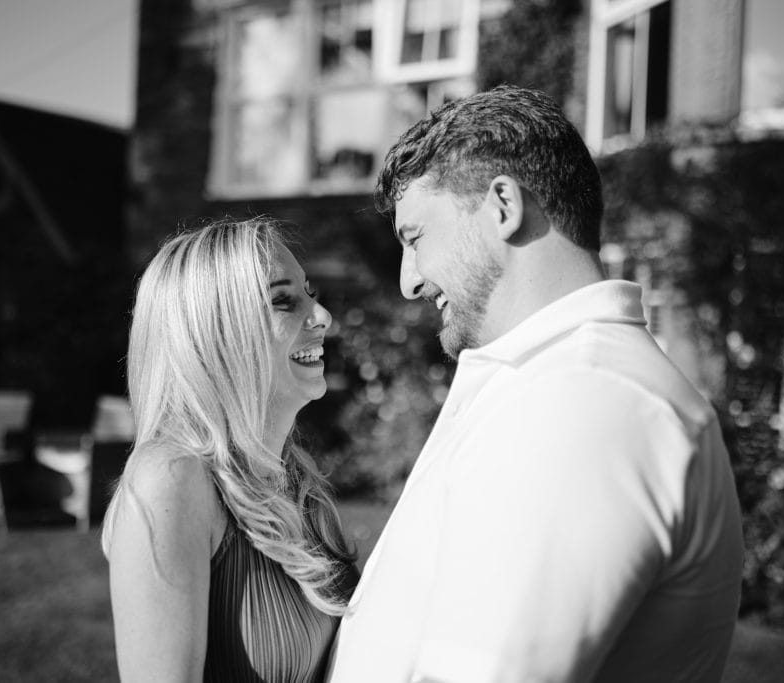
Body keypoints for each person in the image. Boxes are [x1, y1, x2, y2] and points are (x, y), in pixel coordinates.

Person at [327, 85, 744, 682]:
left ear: (503, 205)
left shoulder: (587, 401)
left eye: (415, 238)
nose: (408, 283)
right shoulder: (547, 380)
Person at [102, 219, 357, 682]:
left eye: (310, 293)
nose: (322, 318)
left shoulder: (296, 480)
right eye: (283, 301)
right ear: (214, 331)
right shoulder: (171, 479)